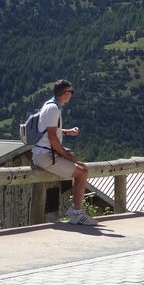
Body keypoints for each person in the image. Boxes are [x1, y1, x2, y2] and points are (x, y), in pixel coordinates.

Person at [31, 79, 96, 226]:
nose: (72, 94)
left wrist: (66, 132)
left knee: (81, 168)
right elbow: (52, 137)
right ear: (65, 93)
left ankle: (76, 210)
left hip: (43, 153)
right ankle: (76, 213)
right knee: (82, 172)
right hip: (45, 156)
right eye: (71, 92)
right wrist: (66, 156)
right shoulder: (54, 109)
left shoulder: (49, 105)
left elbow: (49, 130)